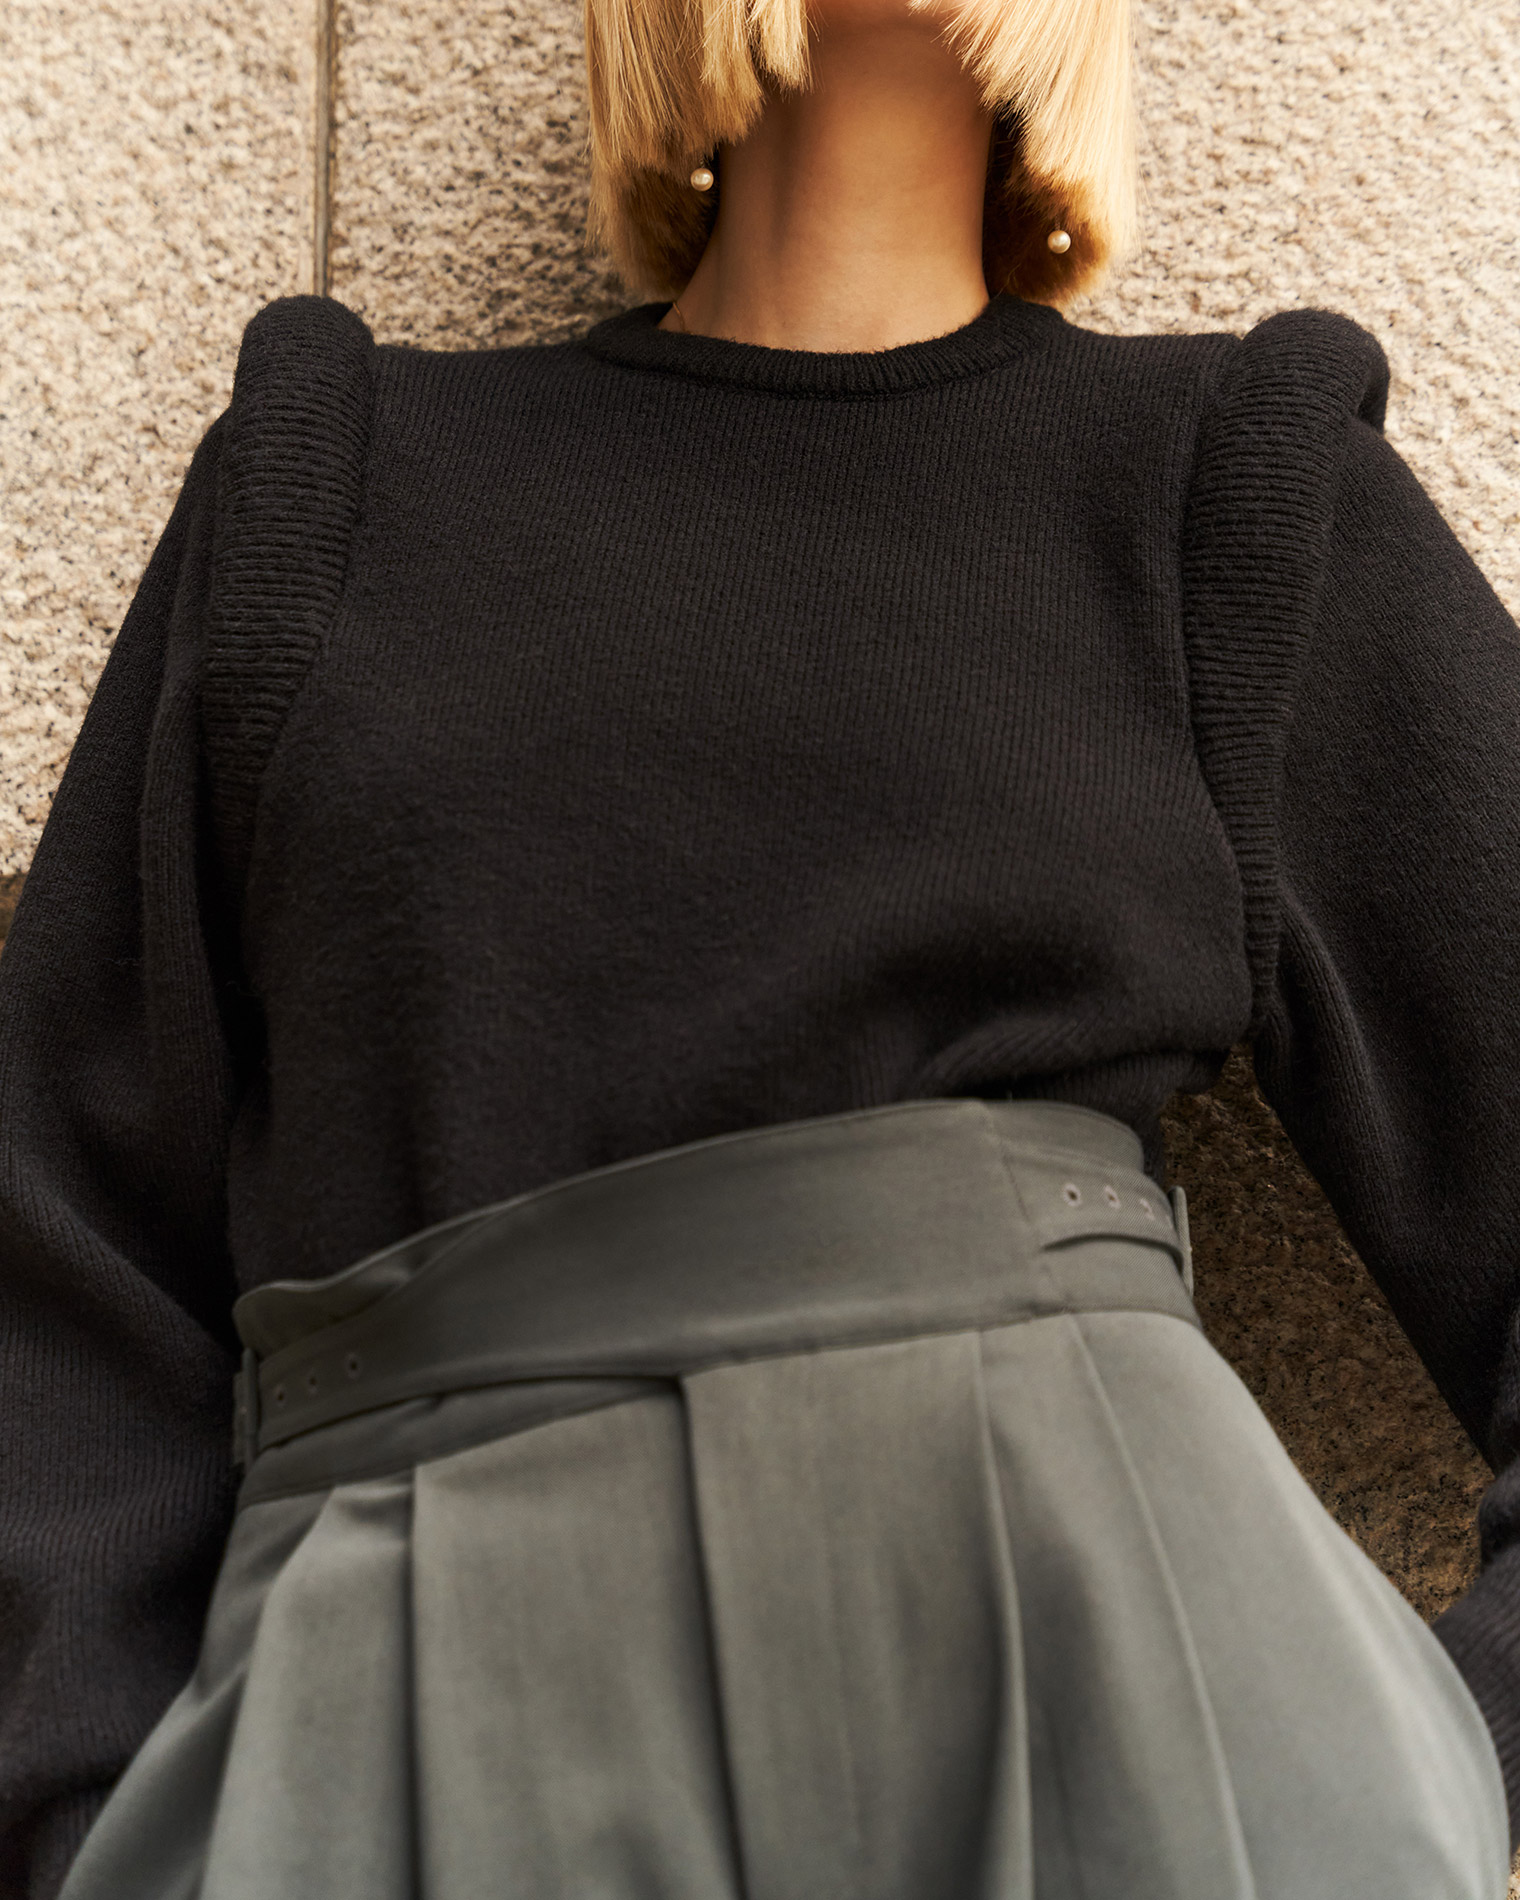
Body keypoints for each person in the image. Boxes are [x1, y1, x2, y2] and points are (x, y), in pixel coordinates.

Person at [1, 0, 1517, 1888]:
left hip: (1108, 1771)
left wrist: (1427, 1780)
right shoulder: (335, 485)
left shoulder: (1221, 493)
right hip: (402, 1748)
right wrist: (91, 1828)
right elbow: (58, 1241)